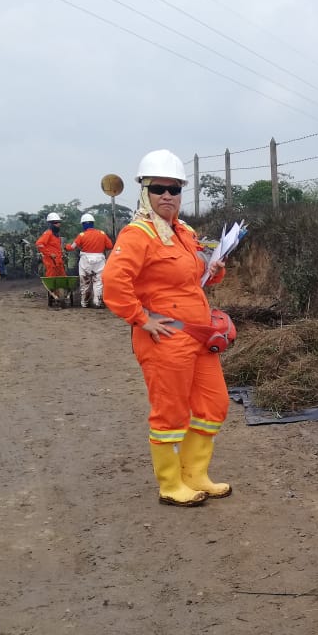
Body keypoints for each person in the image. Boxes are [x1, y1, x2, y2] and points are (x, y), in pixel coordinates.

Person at [102, 149, 232, 507]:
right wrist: (141, 318)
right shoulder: (137, 234)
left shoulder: (183, 232)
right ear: (144, 191)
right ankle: (171, 484)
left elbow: (196, 276)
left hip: (200, 335)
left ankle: (195, 474)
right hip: (165, 338)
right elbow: (114, 283)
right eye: (159, 188)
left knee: (214, 404)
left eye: (174, 189)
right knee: (170, 412)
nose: (167, 196)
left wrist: (215, 266)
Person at [66, 213, 114, 308]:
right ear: (93, 223)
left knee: (85, 282)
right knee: (98, 282)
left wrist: (66, 247)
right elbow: (110, 246)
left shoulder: (81, 235)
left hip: (85, 261)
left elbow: (72, 247)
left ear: (84, 224)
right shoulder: (102, 234)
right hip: (99, 260)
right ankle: (98, 302)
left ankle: (85, 303)